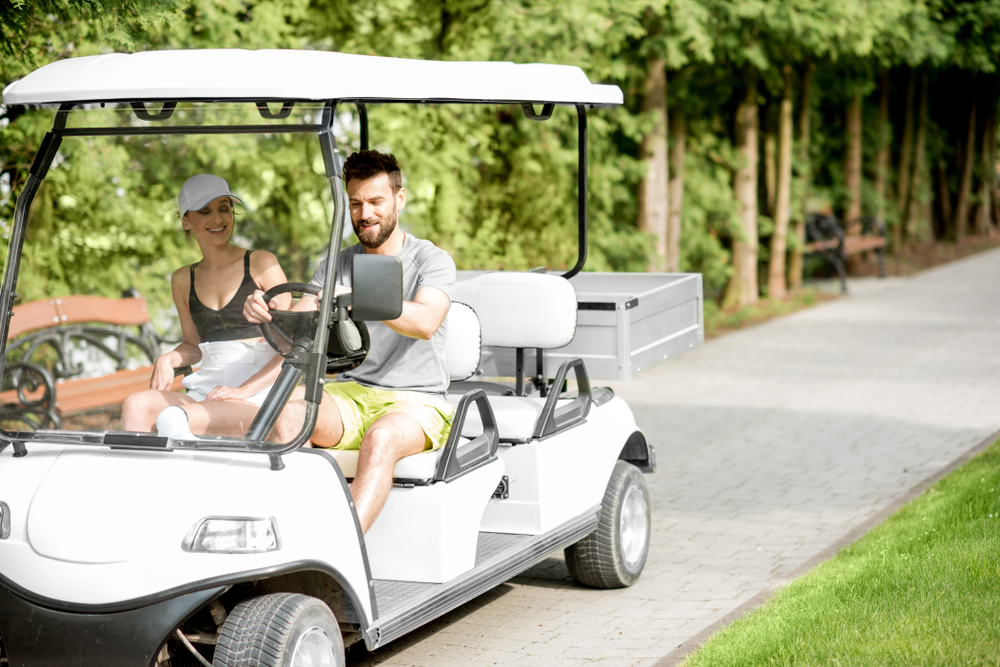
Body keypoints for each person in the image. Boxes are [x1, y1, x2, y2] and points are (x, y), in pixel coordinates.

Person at [243, 150, 456, 533]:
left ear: (399, 199)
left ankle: (337, 550)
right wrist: (265, 311)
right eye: (356, 203)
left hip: (417, 401)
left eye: (376, 201)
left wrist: (362, 298)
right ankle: (300, 534)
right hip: (353, 395)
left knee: (382, 436)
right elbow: (301, 327)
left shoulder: (430, 260)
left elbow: (425, 322)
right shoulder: (335, 264)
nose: (365, 214)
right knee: (287, 414)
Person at [121, 174, 290, 438]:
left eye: (225, 209)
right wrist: (168, 359)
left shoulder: (260, 262)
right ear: (186, 221)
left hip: (256, 390)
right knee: (136, 405)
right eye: (205, 211)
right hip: (207, 387)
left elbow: (291, 327)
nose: (218, 219)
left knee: (176, 419)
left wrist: (268, 305)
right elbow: (193, 346)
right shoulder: (182, 279)